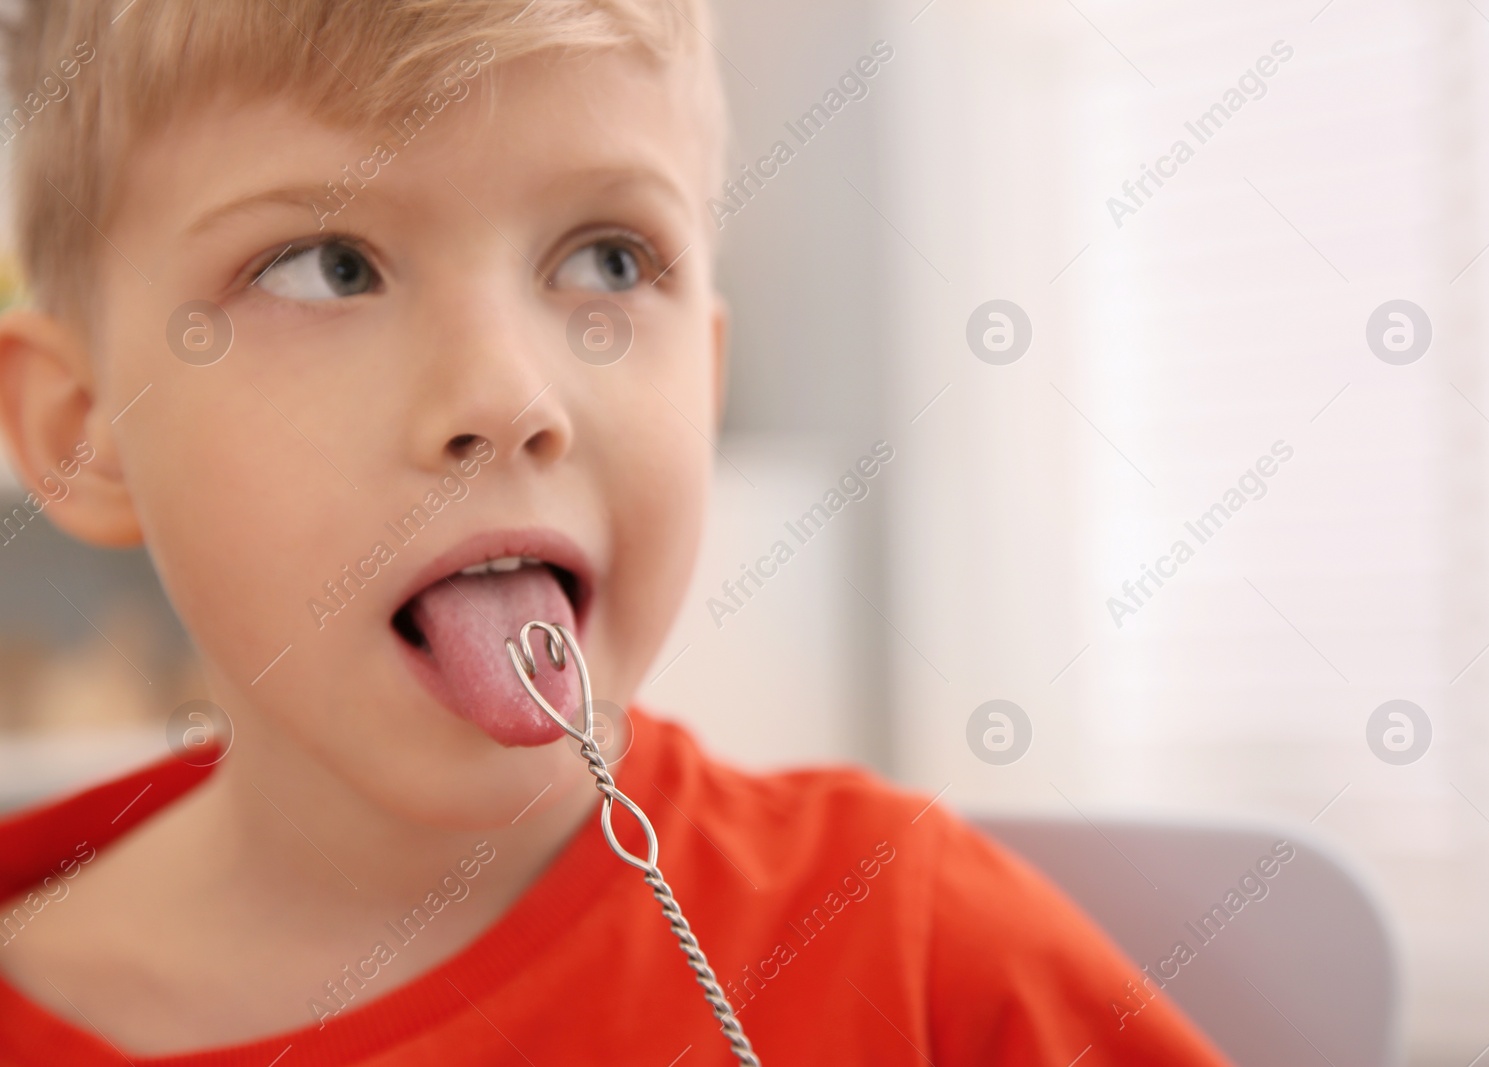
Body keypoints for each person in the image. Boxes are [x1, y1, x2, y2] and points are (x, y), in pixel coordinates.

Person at [0, 2, 1234, 1063]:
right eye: (328, 266)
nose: (508, 396)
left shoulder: (909, 950)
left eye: (604, 258)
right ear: (84, 429)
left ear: (703, 377)